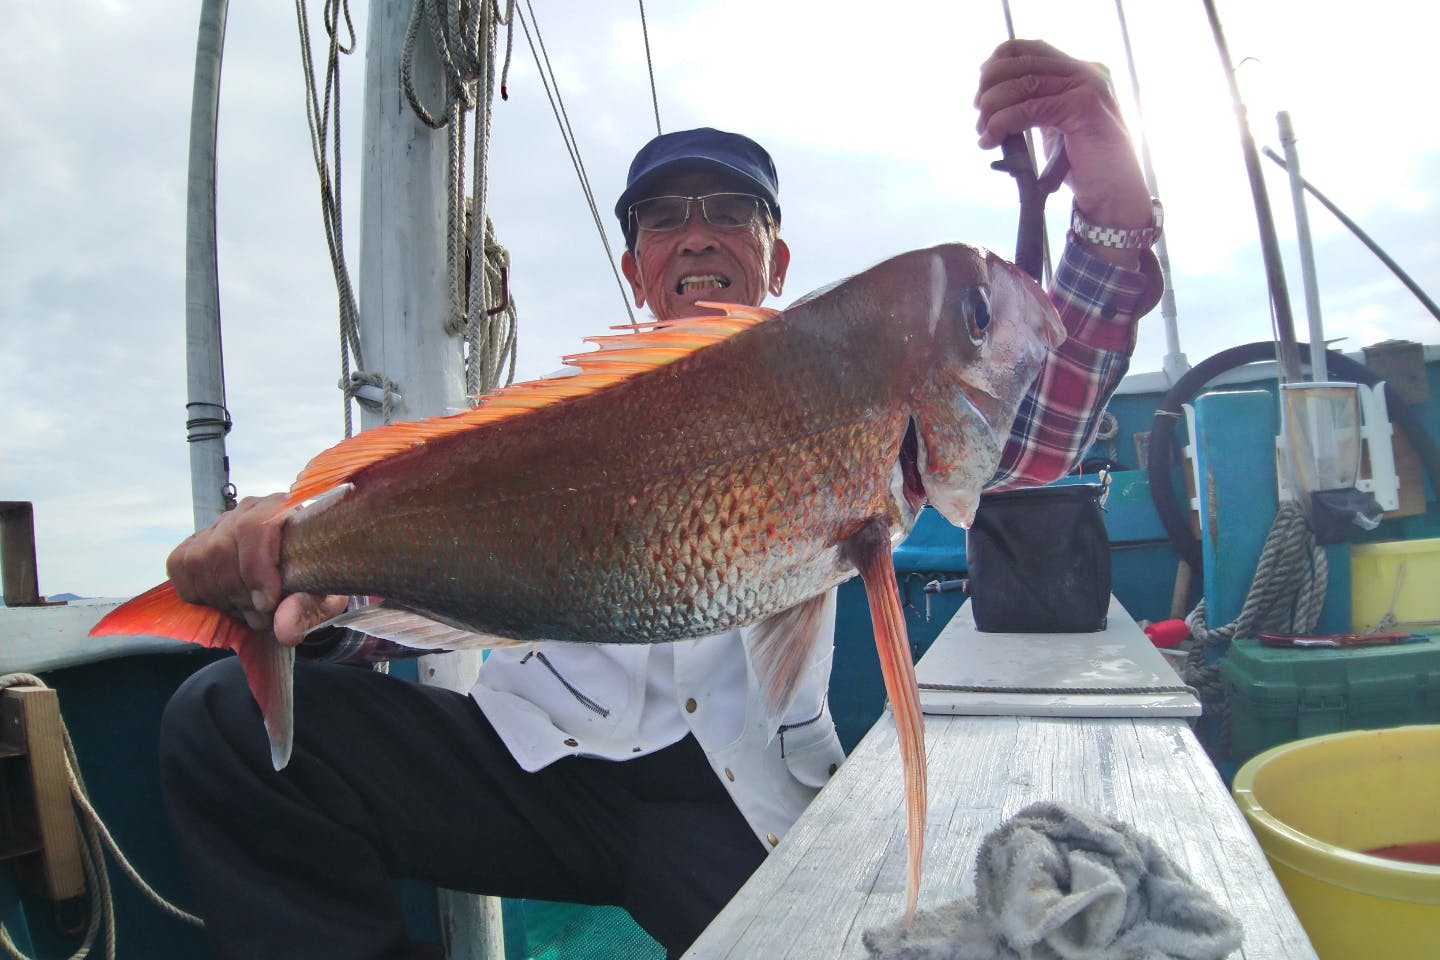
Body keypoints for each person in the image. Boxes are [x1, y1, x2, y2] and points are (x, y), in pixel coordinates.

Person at [158, 39, 1163, 960]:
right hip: (537, 766)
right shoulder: (552, 422)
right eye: (663, 217)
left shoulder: (865, 385)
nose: (696, 236)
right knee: (222, 723)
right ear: (637, 267)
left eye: (732, 211)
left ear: (778, 256)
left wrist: (1113, 219)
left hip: (732, 797)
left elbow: (1028, 432)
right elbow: (433, 565)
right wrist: (309, 576)